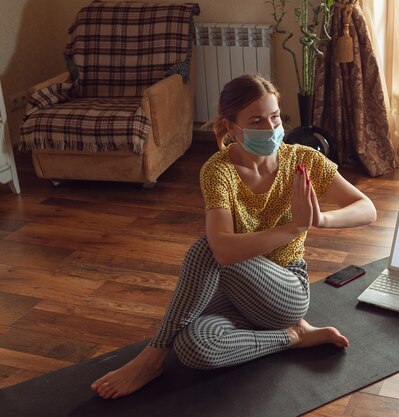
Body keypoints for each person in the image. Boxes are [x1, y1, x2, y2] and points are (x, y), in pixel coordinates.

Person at [90, 74, 377, 400]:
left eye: (275, 117)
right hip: (234, 292)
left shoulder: (302, 159)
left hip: (284, 292)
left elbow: (366, 208)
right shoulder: (218, 170)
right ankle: (293, 338)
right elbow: (225, 251)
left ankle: (152, 356)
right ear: (232, 126)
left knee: (206, 248)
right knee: (192, 348)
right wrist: (292, 227)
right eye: (256, 120)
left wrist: (319, 219)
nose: (270, 128)